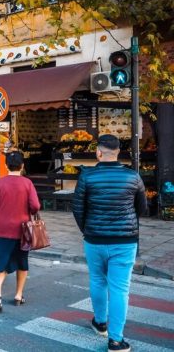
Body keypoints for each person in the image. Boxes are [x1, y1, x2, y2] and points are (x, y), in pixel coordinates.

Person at [72, 134, 147, 352]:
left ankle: (100, 323)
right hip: (125, 241)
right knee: (120, 288)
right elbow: (142, 208)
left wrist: (88, 230)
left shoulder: (87, 176)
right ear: (118, 152)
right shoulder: (133, 176)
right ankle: (115, 340)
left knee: (97, 280)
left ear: (98, 152)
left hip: (94, 239)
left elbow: (78, 209)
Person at [0, 150, 40, 313]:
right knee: (22, 262)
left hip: (0, 229)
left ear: (6, 166)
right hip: (22, 231)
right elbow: (35, 206)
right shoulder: (27, 183)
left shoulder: (0, 183)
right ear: (22, 166)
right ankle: (18, 295)